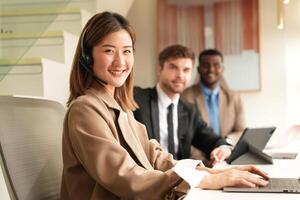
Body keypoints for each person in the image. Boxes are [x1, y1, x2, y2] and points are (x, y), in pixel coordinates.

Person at [61, 12, 268, 200]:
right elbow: (124, 176)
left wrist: (214, 173)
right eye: (109, 50)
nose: (120, 61)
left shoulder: (120, 107)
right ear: (87, 57)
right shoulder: (85, 109)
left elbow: (155, 156)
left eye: (126, 51)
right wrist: (204, 180)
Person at [133, 45, 233, 165]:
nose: (180, 75)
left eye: (186, 70)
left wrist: (224, 148)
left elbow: (212, 139)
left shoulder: (189, 110)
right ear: (159, 69)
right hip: (145, 177)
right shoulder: (137, 98)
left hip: (179, 179)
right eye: (173, 67)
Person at [182, 49, 246, 144]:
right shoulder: (185, 96)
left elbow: (241, 132)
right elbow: (184, 135)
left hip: (228, 153)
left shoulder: (234, 97)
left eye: (216, 65)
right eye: (206, 65)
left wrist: (224, 143)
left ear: (222, 69)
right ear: (198, 69)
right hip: (196, 157)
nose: (211, 69)